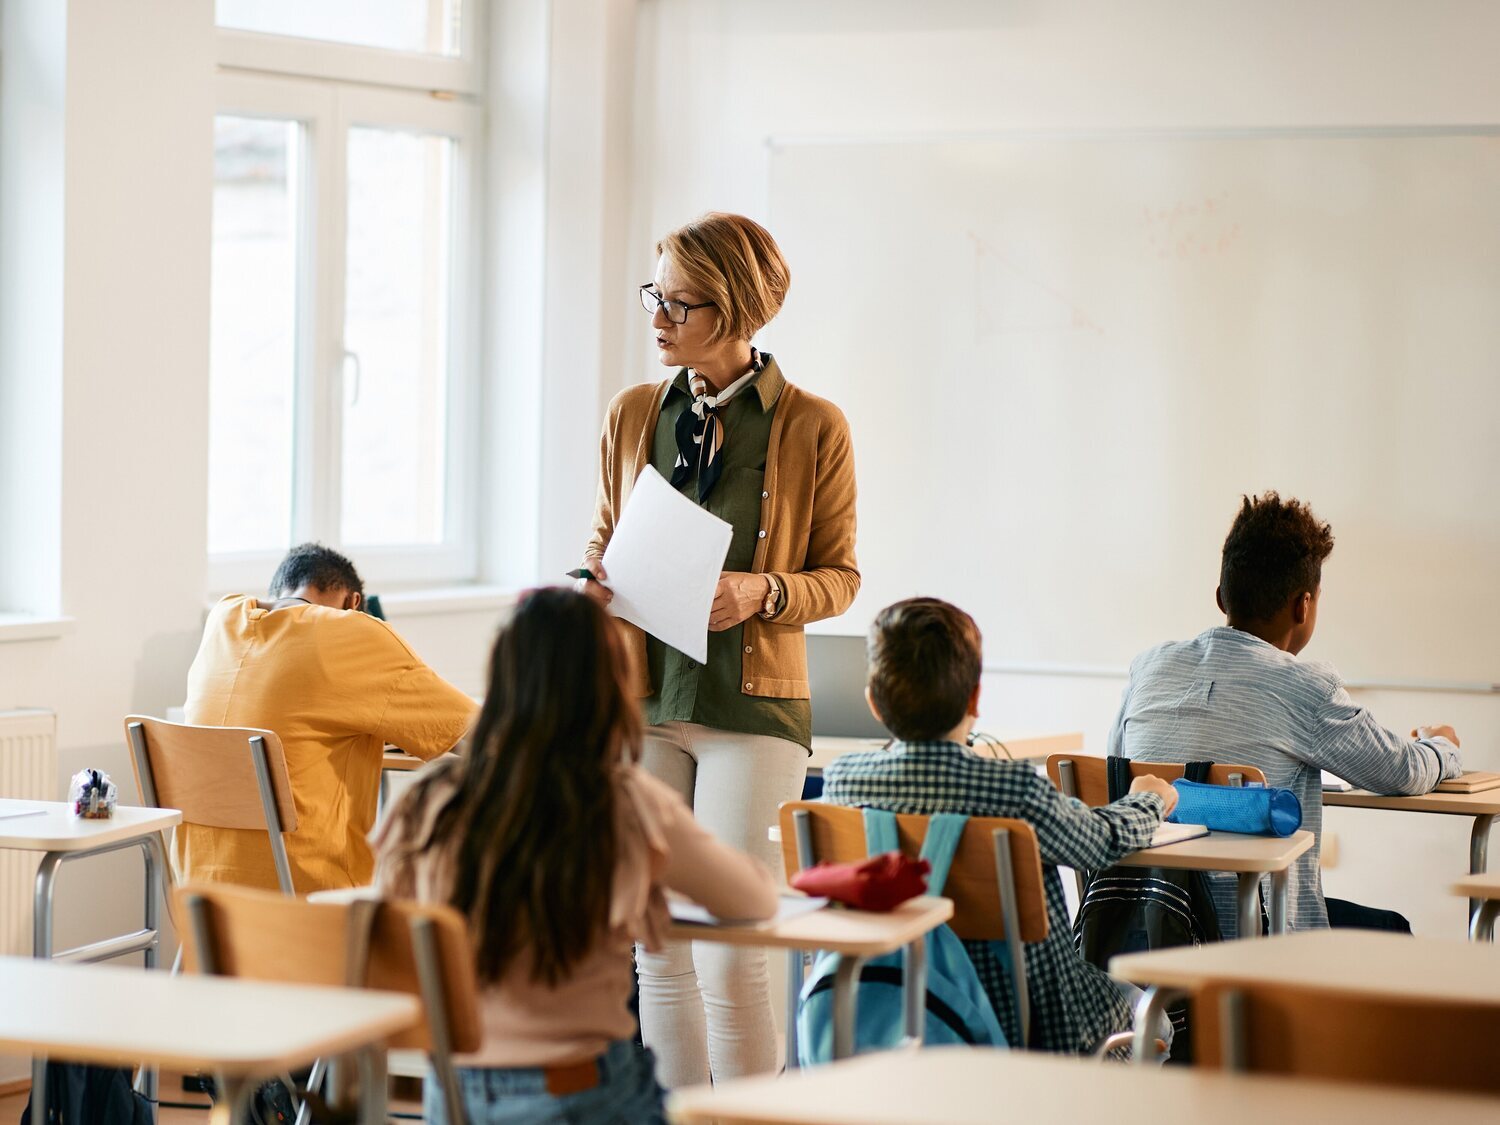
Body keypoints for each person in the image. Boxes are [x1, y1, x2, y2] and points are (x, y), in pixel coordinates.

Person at [575, 212, 859, 1085]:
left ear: (734, 311)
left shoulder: (814, 425)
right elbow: (604, 536)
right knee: (656, 944)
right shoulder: (632, 414)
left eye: (679, 302)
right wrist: (593, 578)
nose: (657, 316)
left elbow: (840, 576)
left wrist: (764, 591)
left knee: (734, 952)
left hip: (753, 704)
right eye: (654, 294)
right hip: (646, 699)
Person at [373, 588, 779, 1124]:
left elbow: (392, 937)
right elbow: (752, 899)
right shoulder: (623, 802)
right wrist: (644, 880)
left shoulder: (429, 802)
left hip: (453, 1092)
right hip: (580, 1095)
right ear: (609, 686)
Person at [823, 597, 1178, 1054]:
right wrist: (1148, 798)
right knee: (1154, 1015)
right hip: (1030, 1019)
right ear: (975, 697)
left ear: (873, 702)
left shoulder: (842, 783)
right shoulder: (1011, 791)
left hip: (892, 1012)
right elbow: (1100, 841)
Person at [1110, 492, 1462, 934]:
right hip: (1248, 939)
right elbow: (1403, 771)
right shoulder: (1306, 688)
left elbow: (1116, 771)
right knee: (1393, 931)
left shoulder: (1147, 668)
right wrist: (1442, 743)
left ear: (1222, 597)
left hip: (1137, 931)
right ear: (1304, 605)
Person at [180, 542, 474, 891]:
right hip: (309, 902)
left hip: (202, 907)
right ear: (354, 604)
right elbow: (483, 735)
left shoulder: (223, 619)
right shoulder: (351, 630)